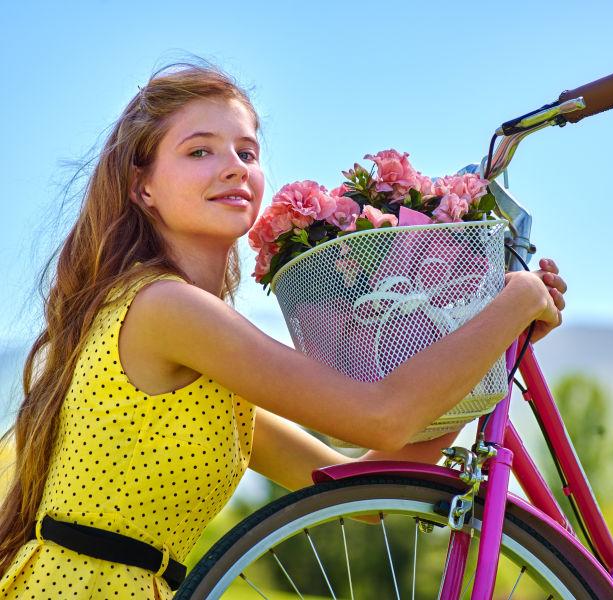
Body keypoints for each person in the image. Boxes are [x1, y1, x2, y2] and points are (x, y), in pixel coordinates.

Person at [0, 60, 567, 599]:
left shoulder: (208, 369)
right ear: (141, 186)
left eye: (246, 151)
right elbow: (382, 415)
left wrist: (490, 352)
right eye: (199, 150)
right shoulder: (165, 307)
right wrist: (514, 300)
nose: (234, 166)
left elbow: (362, 493)